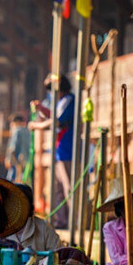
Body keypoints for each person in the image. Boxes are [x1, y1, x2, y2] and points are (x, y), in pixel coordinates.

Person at [28, 75, 75, 228]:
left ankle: (72, 222)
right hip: (59, 151)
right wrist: (41, 109)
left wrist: (37, 126)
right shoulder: (62, 102)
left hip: (68, 151)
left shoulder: (70, 100)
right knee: (57, 189)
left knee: (69, 188)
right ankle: (60, 221)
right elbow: (54, 116)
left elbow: (58, 121)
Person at [5, 184, 60, 252]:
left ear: (29, 206)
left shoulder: (44, 228)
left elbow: (58, 255)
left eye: (21, 204)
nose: (16, 208)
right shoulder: (0, 230)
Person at [5, 114, 31, 183]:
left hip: (16, 161)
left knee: (10, 182)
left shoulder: (16, 131)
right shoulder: (28, 132)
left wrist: (9, 159)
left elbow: (12, 149)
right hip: (27, 161)